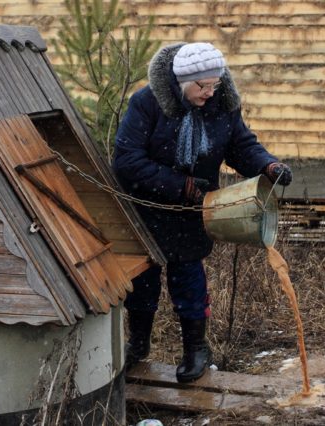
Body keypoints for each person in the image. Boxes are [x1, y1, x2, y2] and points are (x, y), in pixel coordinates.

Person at [112, 42, 293, 383]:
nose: (210, 92)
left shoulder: (222, 105)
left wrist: (268, 165)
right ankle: (138, 345)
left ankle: (196, 349)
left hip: (193, 210)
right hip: (146, 206)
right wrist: (180, 185)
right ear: (181, 81)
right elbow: (126, 162)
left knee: (189, 279)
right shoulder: (147, 104)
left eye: (215, 84)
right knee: (143, 280)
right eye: (202, 86)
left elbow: (241, 146)